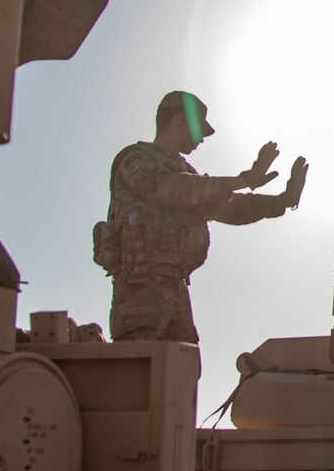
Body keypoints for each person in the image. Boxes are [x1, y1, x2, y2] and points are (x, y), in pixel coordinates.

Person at [94, 91, 309, 344]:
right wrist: (243, 180)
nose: (202, 139)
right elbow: (171, 188)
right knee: (143, 372)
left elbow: (229, 208)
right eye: (199, 129)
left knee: (182, 372)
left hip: (176, 288)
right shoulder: (134, 160)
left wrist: (281, 201)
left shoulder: (185, 171)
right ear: (181, 121)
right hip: (141, 291)